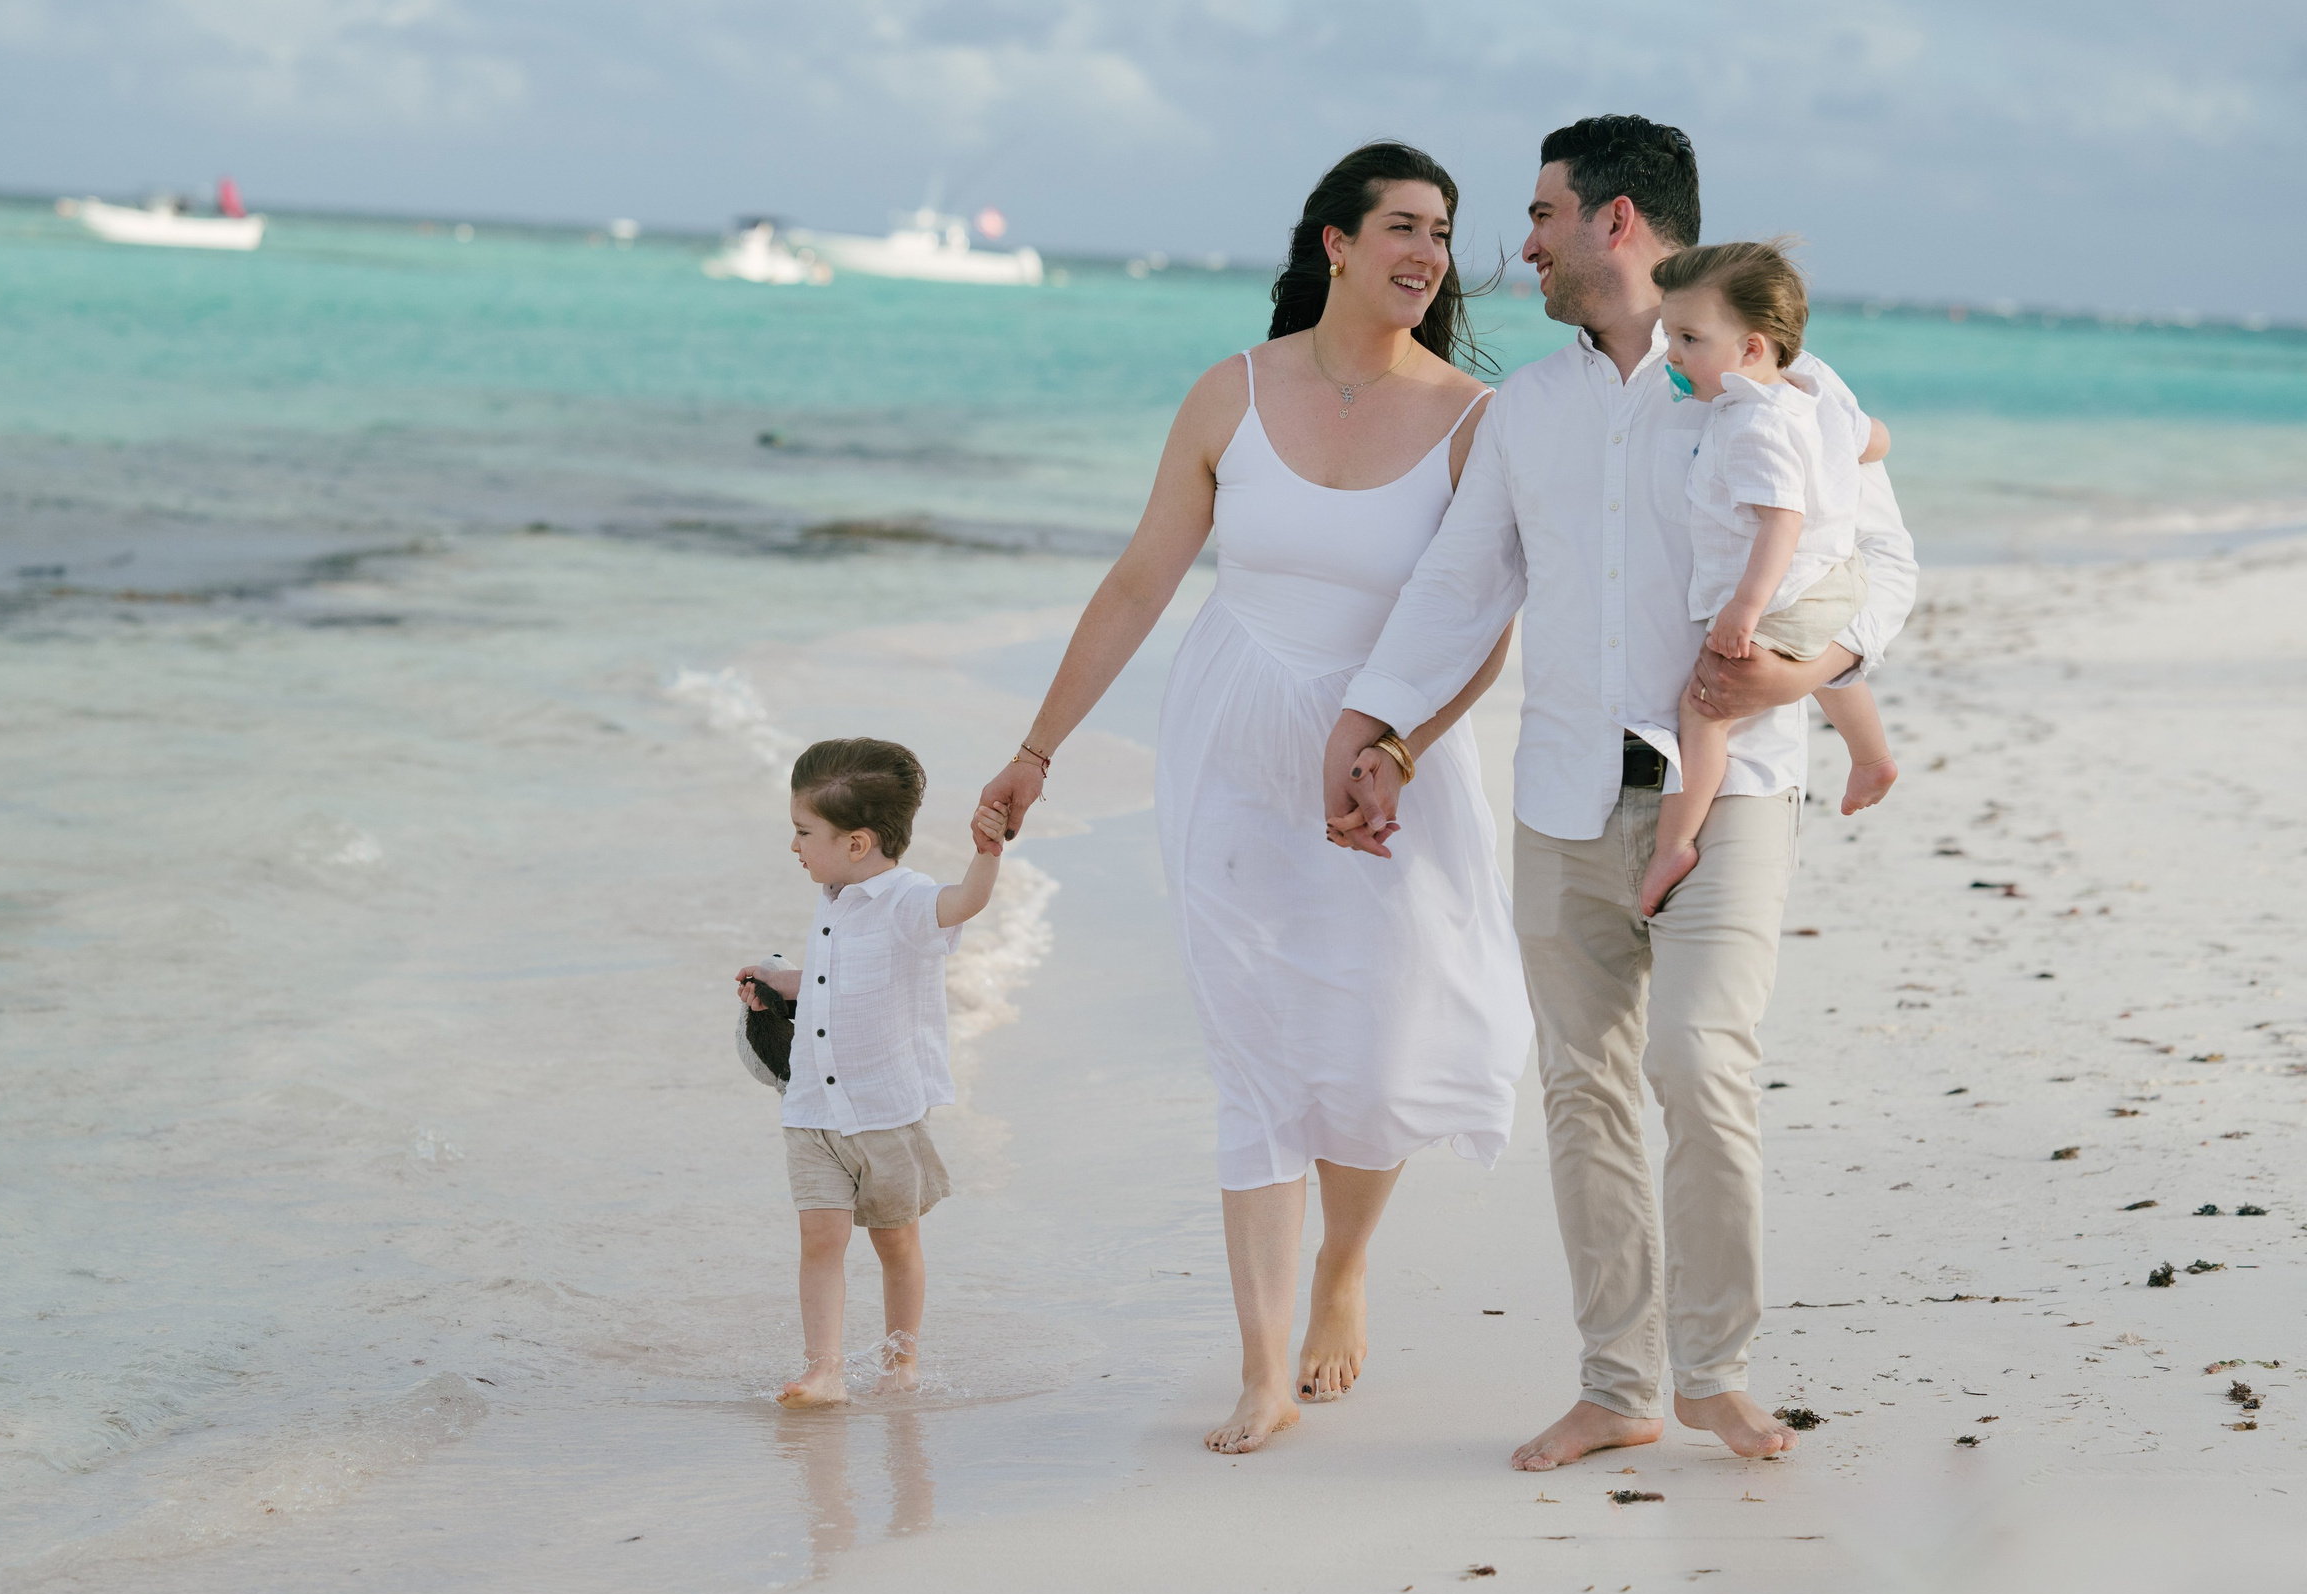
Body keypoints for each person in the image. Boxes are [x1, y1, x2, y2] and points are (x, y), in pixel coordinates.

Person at [1321, 116, 1917, 1471]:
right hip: (1565, 801)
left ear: (1620, 220)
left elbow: (1884, 567)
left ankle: (1716, 1368)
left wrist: (1809, 669)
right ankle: (1617, 1384)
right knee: (1583, 1092)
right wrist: (1374, 724)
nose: (1518, 242)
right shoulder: (1526, 408)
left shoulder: (1787, 385)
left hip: (1736, 790)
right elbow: (1463, 583)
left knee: (1700, 1064)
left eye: (1541, 214)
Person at [977, 142, 1534, 1455]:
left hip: (1386, 749)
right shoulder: (1229, 393)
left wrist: (1398, 745)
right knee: (1257, 1044)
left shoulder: (1472, 418)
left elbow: (1482, 627)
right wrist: (1038, 747)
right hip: (1231, 733)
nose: (1428, 254)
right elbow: (1137, 584)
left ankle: (1346, 1267)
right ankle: (1261, 1366)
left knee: (1382, 1036)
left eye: (1443, 234)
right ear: (1333, 241)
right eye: (1403, 225)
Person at [734, 737, 1009, 1408]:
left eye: (804, 832)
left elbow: (965, 903)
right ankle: (823, 1371)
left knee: (895, 1244)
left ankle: (901, 1360)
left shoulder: (908, 901)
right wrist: (781, 984)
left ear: (857, 843)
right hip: (812, 1109)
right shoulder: (832, 898)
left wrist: (988, 851)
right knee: (819, 1239)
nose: (794, 846)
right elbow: (834, 980)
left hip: (884, 1111)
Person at [1639, 240, 1899, 917]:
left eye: (1690, 338)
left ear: (1752, 350)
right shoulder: (1809, 395)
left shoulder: (1750, 423)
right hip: (1837, 576)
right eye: (1670, 334)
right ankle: (1871, 756)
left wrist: (1744, 609)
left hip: (1789, 588)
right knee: (1833, 670)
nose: (1672, 354)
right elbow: (1878, 441)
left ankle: (1677, 842)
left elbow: (1781, 520)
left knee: (1702, 712)